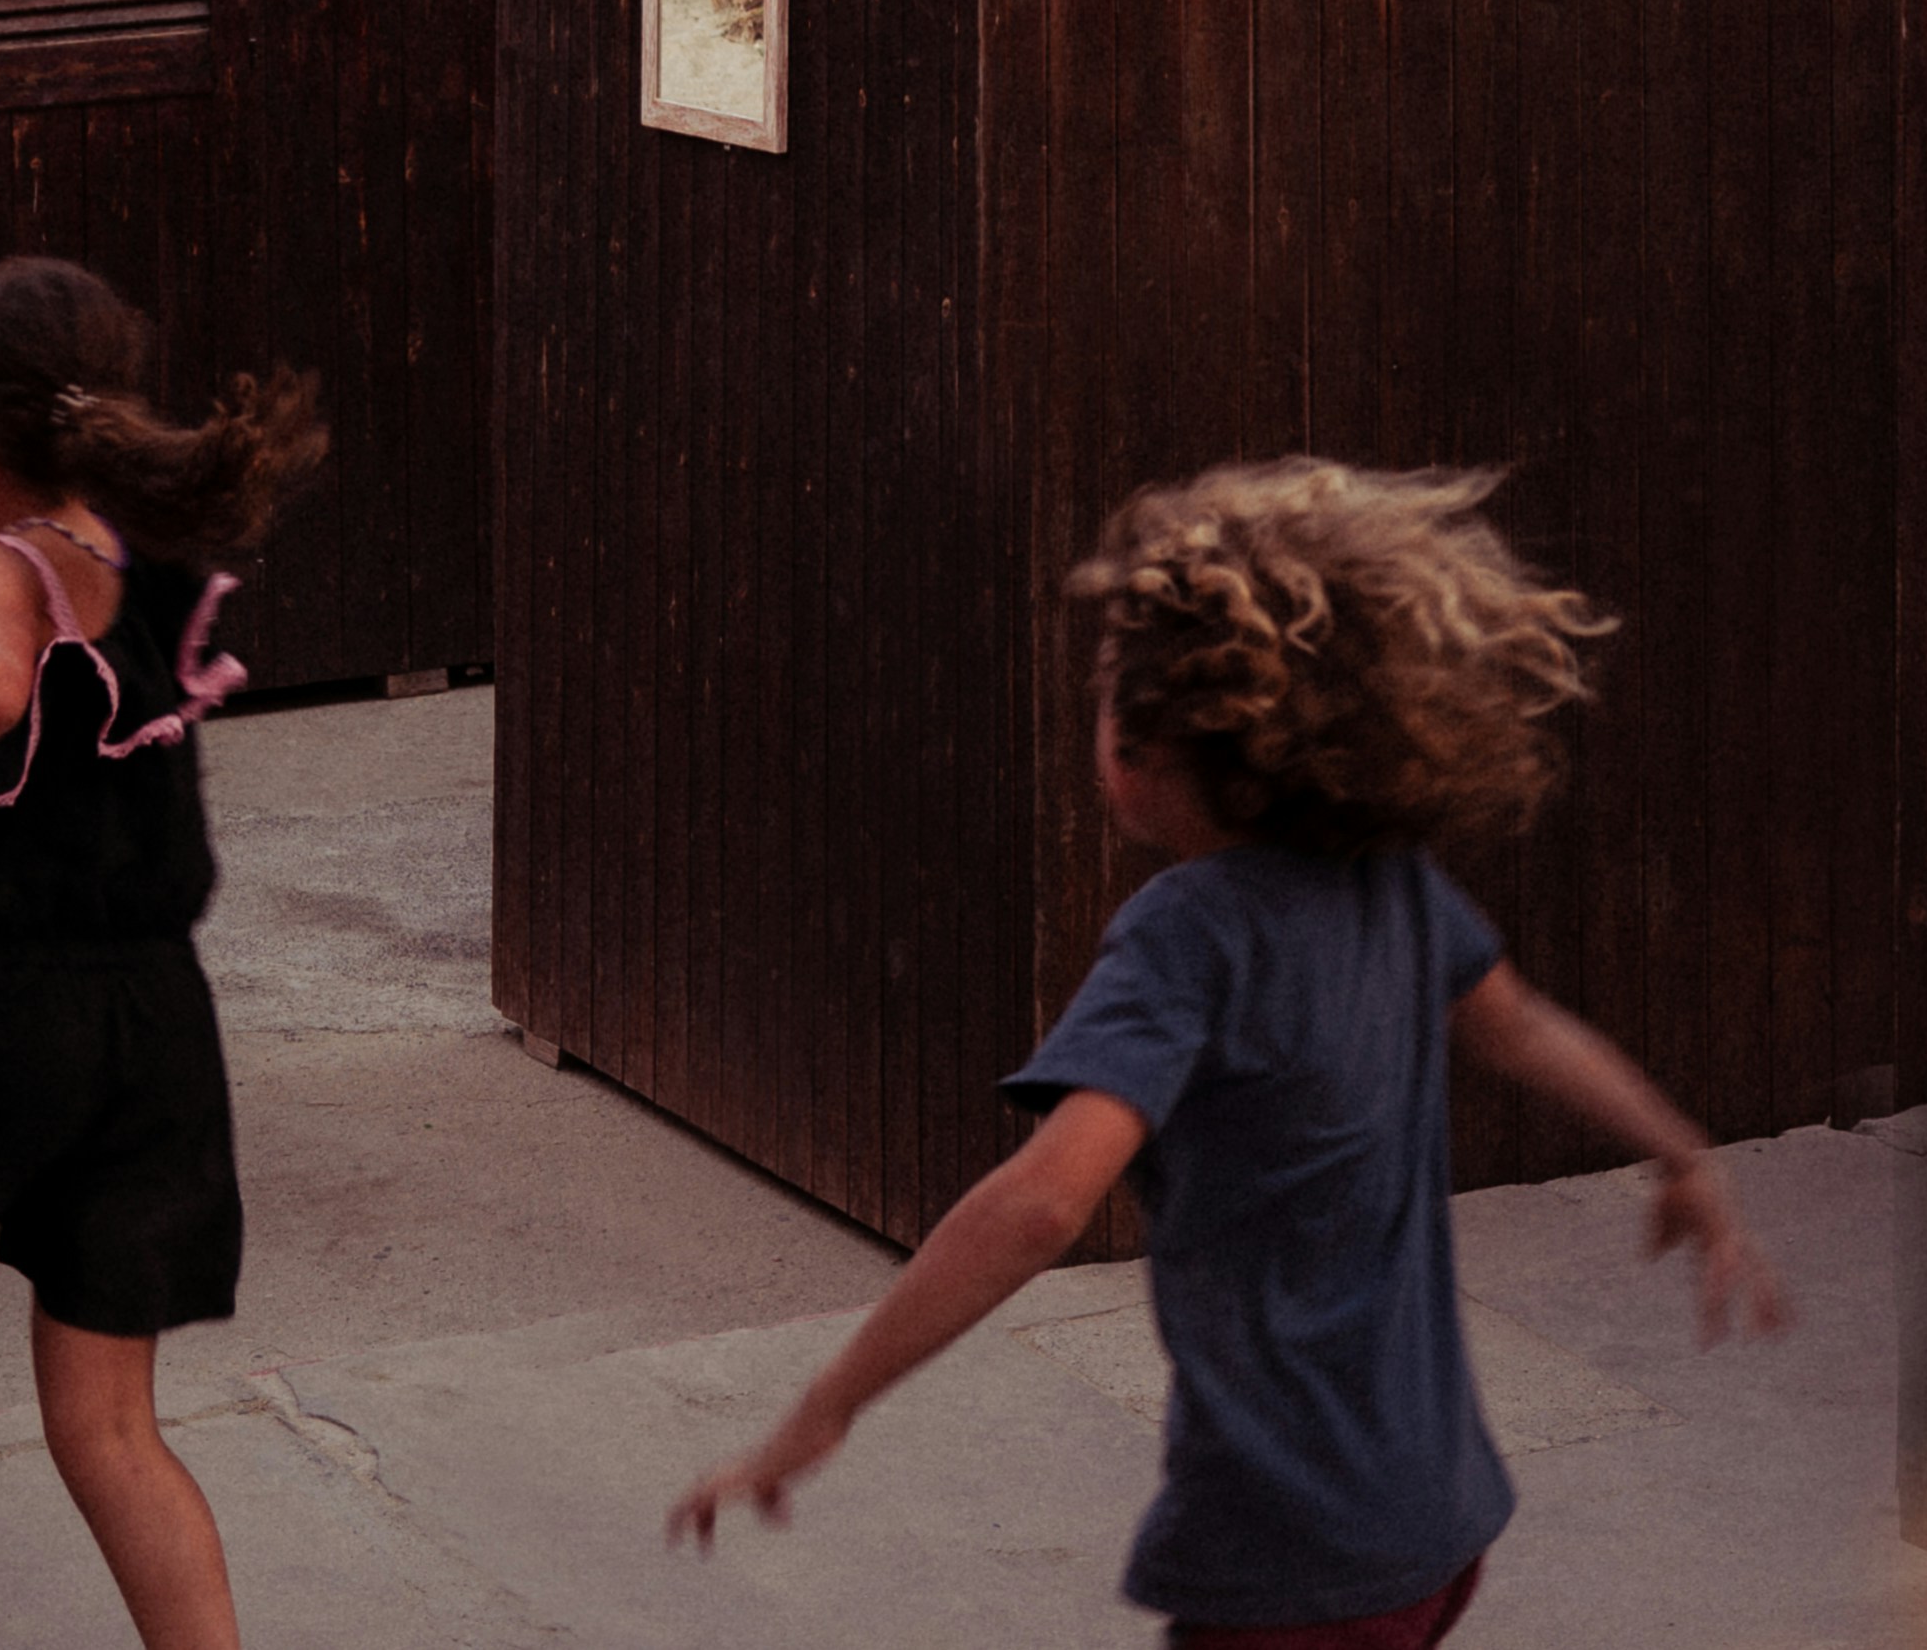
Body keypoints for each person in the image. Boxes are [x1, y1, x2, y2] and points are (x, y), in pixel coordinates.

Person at [669, 458, 1792, 1649]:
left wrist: (825, 1407)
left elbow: (1046, 1200)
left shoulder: (1186, 933)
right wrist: (1682, 1151)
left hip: (1290, 1557)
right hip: (1434, 1519)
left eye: (1107, 690)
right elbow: (1524, 1026)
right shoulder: (1394, 883)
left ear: (1147, 748)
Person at [0, 255, 328, 1650]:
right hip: (158, 1032)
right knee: (110, 1429)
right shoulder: (142, 547)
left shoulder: (1, 565)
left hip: (7, 1021)